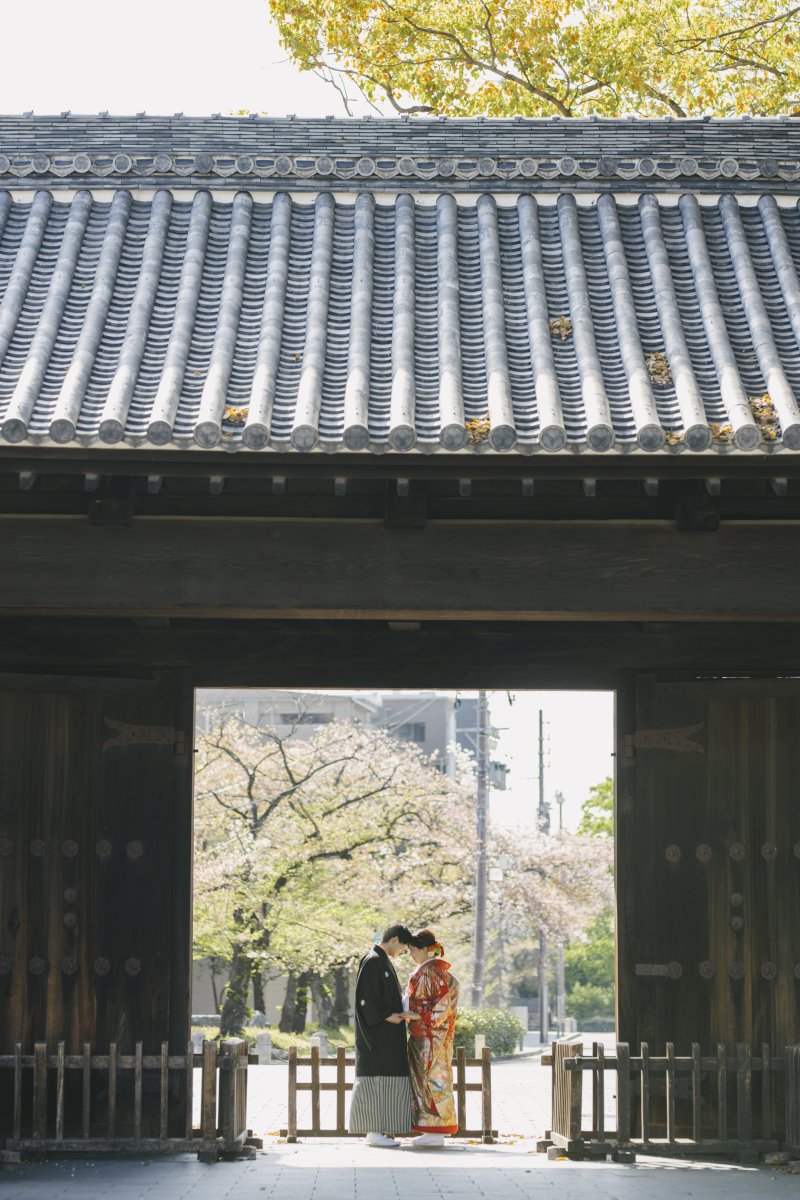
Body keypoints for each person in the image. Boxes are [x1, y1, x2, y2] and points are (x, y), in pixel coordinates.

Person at [349, 923, 415, 1147]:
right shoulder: (373, 961)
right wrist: (389, 1015)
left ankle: (380, 1130)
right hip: (376, 1038)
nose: (402, 953)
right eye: (403, 948)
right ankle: (373, 1132)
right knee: (375, 1082)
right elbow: (366, 1000)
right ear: (395, 940)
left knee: (385, 1081)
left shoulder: (380, 960)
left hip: (386, 1035)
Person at [405, 928, 460, 1148]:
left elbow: (442, 1005)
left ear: (424, 949)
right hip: (428, 1034)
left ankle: (436, 1128)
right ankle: (429, 1127)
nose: (410, 954)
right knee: (427, 1078)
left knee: (432, 1078)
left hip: (430, 1035)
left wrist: (418, 1014)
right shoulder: (432, 971)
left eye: (412, 950)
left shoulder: (432, 972)